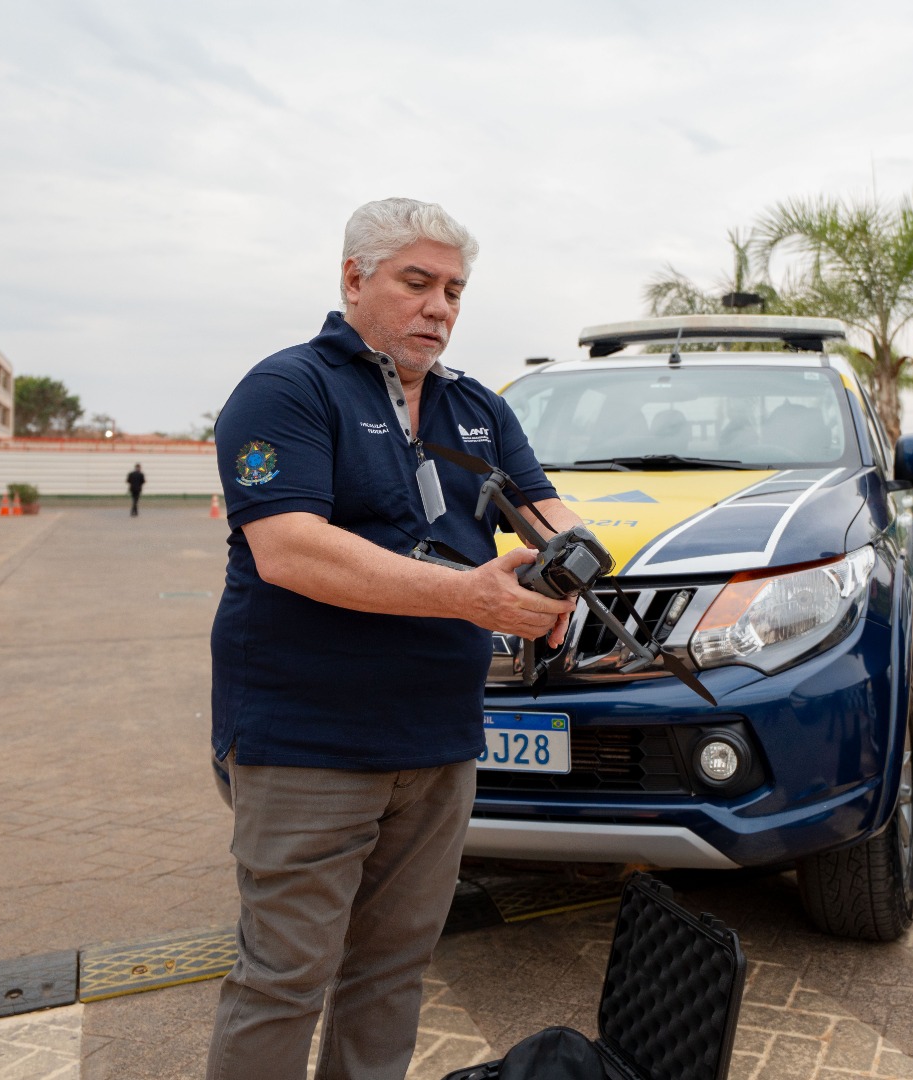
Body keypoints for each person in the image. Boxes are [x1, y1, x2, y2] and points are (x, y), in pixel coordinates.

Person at [205, 198, 582, 1080]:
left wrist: (572, 567)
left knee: (392, 973)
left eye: (453, 289)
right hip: (306, 743)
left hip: (439, 742)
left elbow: (546, 513)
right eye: (416, 283)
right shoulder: (286, 388)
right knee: (284, 978)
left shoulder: (475, 407)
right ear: (352, 279)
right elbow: (289, 549)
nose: (440, 307)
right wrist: (470, 597)